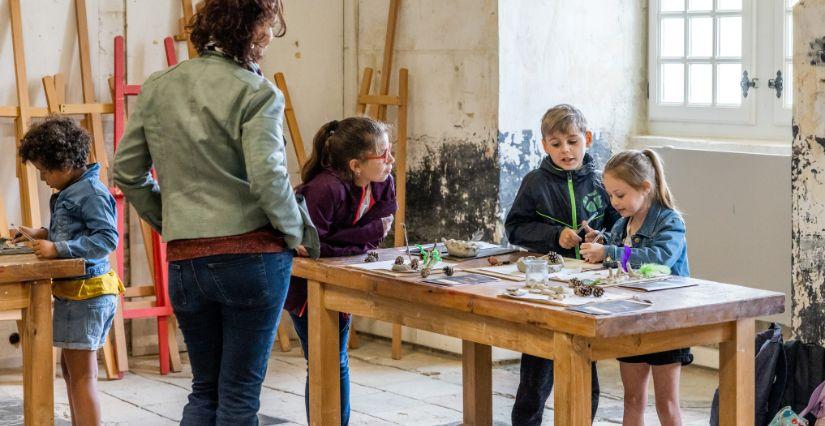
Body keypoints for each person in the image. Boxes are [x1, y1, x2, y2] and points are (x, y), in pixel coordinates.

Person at [113, 1, 318, 424]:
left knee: (204, 390)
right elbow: (267, 178)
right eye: (266, 28)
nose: (268, 40)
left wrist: (171, 223)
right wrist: (298, 233)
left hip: (187, 261)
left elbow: (127, 172)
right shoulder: (257, 91)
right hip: (253, 260)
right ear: (253, 30)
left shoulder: (158, 86)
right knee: (240, 393)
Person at [505, 104, 618, 425]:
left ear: (588, 139)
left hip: (588, 286)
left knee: (585, 367)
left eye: (572, 141)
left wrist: (602, 239)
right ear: (545, 146)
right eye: (556, 144)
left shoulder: (601, 182)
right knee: (536, 373)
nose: (566, 150)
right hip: (546, 284)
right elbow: (515, 227)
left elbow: (619, 226)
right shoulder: (534, 182)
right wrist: (556, 236)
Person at [284, 117, 397, 425]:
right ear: (356, 165)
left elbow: (381, 228)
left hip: (342, 276)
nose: (391, 161)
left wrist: (344, 240)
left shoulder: (383, 181)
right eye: (383, 155)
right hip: (305, 286)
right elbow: (312, 247)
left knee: (337, 360)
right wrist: (359, 238)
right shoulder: (325, 189)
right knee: (324, 361)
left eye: (391, 152)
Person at [16, 117, 123, 426]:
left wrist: (58, 250)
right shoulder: (72, 190)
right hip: (76, 295)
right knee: (71, 371)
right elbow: (76, 232)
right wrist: (43, 234)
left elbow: (106, 239)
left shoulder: (90, 192)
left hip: (87, 295)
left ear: (65, 163)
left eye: (45, 171)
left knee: (82, 376)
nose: (43, 178)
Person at [581, 149, 691, 426]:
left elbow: (659, 258)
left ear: (645, 187)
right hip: (631, 318)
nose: (614, 202)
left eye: (620, 195)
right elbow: (615, 259)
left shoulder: (670, 221)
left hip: (667, 320)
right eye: (610, 195)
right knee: (632, 401)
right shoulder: (621, 225)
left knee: (666, 404)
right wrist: (600, 243)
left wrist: (608, 252)